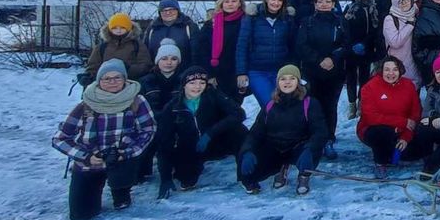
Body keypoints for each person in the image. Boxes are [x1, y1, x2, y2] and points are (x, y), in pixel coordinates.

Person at [52, 59, 157, 220]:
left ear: (125, 79)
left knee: (122, 200)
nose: (113, 82)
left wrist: (128, 152)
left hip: (121, 159)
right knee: (80, 216)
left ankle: (121, 191)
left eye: (118, 77)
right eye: (107, 78)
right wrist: (85, 156)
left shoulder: (137, 101)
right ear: (99, 80)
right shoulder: (86, 105)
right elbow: (60, 139)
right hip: (90, 162)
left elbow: (148, 130)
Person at [155, 66, 249, 199]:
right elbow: (163, 143)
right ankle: (187, 172)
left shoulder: (213, 95)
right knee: (186, 181)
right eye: (192, 83)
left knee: (240, 131)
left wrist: (210, 133)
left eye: (202, 83)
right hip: (190, 148)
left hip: (214, 142)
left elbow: (239, 114)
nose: (197, 87)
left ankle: (246, 176)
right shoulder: (173, 107)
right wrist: (165, 177)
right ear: (184, 85)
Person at [238, 65, 327, 195]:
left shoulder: (310, 103)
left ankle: (304, 175)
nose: (287, 82)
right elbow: (256, 133)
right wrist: (247, 151)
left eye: (292, 78)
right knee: (248, 170)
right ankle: (279, 168)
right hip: (276, 149)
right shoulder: (270, 105)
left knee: (310, 153)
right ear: (278, 82)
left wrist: (310, 149)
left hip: (299, 147)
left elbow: (320, 131)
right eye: (283, 79)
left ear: (298, 82)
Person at [295, 0, 346, 159]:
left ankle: (329, 139)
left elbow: (346, 44)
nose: (324, 4)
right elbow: (302, 45)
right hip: (313, 71)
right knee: (313, 106)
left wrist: (333, 58)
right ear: (315, 4)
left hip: (335, 71)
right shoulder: (307, 22)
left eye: (328, 1)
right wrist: (319, 60)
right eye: (320, 1)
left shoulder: (340, 21)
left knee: (330, 106)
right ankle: (314, 139)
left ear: (333, 4)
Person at [357, 56, 423, 178]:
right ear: (381, 71)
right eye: (387, 69)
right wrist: (402, 122)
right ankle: (380, 163)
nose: (391, 73)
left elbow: (415, 112)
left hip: (402, 130)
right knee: (382, 133)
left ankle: (394, 152)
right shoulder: (370, 87)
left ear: (400, 71)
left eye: (395, 69)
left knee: (417, 150)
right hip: (374, 129)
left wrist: (406, 137)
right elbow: (370, 117)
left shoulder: (408, 86)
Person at [236, 0, 296, 110]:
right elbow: (242, 45)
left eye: (280, 0)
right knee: (270, 105)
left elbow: (292, 46)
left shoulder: (287, 19)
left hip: (281, 72)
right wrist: (241, 72)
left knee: (284, 106)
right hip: (257, 71)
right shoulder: (253, 17)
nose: (276, 3)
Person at [137, 40, 185, 180]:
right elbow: (141, 106)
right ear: (158, 60)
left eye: (173, 59)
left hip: (176, 122)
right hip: (152, 122)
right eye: (164, 58)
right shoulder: (146, 80)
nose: (168, 62)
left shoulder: (183, 80)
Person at [195, 0, 248, 104]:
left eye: (234, 1)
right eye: (226, 1)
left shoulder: (247, 21)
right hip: (217, 74)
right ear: (221, 4)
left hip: (238, 72)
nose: (230, 4)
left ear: (240, 3)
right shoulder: (211, 24)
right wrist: (209, 74)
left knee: (235, 108)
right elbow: (203, 51)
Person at [342, 0, 381, 120]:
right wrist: (351, 45)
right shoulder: (350, 8)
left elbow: (374, 30)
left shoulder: (373, 8)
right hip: (351, 48)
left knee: (365, 78)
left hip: (366, 48)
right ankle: (352, 103)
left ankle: (361, 102)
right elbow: (345, 28)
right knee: (351, 77)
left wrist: (365, 44)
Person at [86, 13, 153, 80]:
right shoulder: (102, 47)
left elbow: (146, 66)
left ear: (129, 28)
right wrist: (89, 77)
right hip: (106, 84)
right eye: (114, 28)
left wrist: (128, 69)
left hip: (130, 83)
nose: (118, 30)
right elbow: (92, 67)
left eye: (122, 27)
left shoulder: (137, 45)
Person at [143, 0, 198, 67]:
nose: (168, 13)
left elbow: (196, 52)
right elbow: (145, 53)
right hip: (156, 73)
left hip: (184, 72)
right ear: (160, 13)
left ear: (178, 11)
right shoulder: (153, 29)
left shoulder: (189, 27)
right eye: (164, 10)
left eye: (171, 9)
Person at [383, 0, 423, 88]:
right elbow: (395, 42)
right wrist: (409, 25)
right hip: (398, 65)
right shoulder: (390, 19)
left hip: (414, 62)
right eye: (401, 1)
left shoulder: (415, 15)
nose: (404, 3)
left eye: (407, 0)